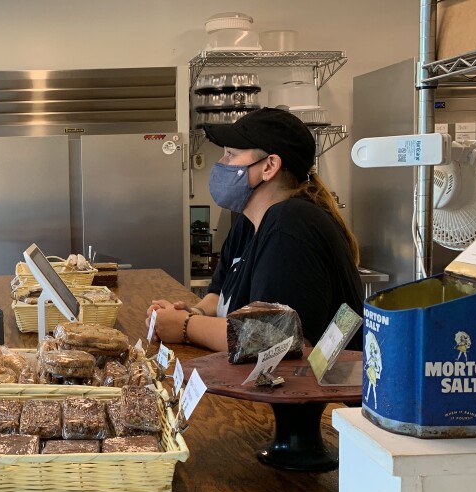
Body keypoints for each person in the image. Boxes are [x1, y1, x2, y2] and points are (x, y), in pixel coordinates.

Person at [149, 107, 363, 352]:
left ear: (269, 166)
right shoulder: (248, 222)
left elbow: (272, 340)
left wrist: (187, 326)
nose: (220, 164)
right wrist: (193, 312)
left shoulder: (291, 223)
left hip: (312, 388)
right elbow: (219, 293)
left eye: (230, 154)